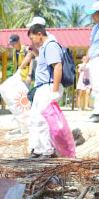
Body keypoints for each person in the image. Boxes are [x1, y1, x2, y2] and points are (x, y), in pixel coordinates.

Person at [26, 24, 64, 159]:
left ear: (39, 34)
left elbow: (58, 67)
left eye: (32, 38)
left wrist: (54, 91)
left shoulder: (51, 45)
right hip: (41, 87)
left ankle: (47, 151)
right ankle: (37, 149)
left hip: (48, 87)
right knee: (34, 120)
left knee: (43, 120)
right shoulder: (44, 48)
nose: (32, 41)